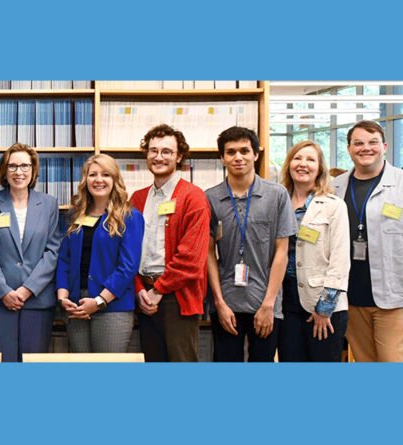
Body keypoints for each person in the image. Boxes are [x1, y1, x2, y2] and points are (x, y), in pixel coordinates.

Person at [332, 120, 403, 362]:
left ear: (384, 146)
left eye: (373, 142)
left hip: (396, 301)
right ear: (349, 148)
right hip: (351, 298)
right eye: (358, 143)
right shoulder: (336, 187)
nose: (365, 148)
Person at [206, 126, 297, 362]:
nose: (238, 157)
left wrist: (268, 304)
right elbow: (207, 254)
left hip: (265, 303)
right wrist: (219, 303)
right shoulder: (210, 198)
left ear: (256, 154)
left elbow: (281, 252)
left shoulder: (277, 195)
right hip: (226, 303)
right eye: (231, 152)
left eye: (245, 151)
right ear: (222, 157)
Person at [130, 124, 211, 362]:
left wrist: (158, 290)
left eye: (166, 151)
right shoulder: (137, 198)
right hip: (145, 296)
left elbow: (192, 259)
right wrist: (140, 291)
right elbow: (129, 252)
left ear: (179, 156)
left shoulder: (193, 197)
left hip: (178, 298)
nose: (158, 157)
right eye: (153, 150)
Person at [0, 143, 61, 362]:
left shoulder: (49, 204)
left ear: (33, 170)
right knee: (2, 364)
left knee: (32, 366)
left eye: (24, 165)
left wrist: (27, 290)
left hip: (37, 300)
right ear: (4, 170)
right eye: (12, 166)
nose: (18, 171)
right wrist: (4, 291)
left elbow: (53, 251)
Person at [56, 154, 144, 353]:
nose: (98, 180)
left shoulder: (129, 217)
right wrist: (63, 298)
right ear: (85, 180)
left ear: (115, 180)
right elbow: (64, 259)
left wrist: (99, 301)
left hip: (112, 307)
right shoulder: (76, 215)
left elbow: (127, 267)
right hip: (76, 305)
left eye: (106, 174)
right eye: (92, 174)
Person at [278, 140, 350, 362]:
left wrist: (324, 308)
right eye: (297, 158)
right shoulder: (278, 201)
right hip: (286, 300)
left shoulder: (333, 205)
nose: (303, 164)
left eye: (310, 160)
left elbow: (340, 260)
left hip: (322, 302)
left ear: (320, 168)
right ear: (289, 164)